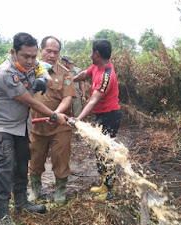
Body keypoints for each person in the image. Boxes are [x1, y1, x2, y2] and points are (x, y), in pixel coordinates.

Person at [0, 32, 67, 225]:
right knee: (5, 166)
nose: (30, 61)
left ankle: (21, 201)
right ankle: (2, 214)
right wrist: (54, 115)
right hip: (0, 126)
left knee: (21, 164)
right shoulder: (6, 72)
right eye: (25, 56)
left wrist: (43, 79)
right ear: (14, 52)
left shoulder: (33, 64)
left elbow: (45, 72)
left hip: (20, 126)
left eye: (33, 56)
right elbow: (29, 101)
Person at [28, 36, 76, 203]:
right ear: (41, 51)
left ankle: (60, 191)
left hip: (59, 126)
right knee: (35, 159)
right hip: (36, 126)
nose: (52, 55)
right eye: (48, 51)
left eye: (56, 52)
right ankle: (35, 189)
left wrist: (55, 114)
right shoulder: (29, 71)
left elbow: (67, 98)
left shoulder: (65, 73)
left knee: (61, 157)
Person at [72, 39, 121, 201]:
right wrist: (71, 81)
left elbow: (92, 101)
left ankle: (109, 190)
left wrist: (78, 119)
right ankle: (103, 183)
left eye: (92, 51)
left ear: (97, 54)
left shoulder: (107, 76)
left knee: (105, 152)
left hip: (110, 117)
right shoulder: (96, 67)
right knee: (99, 150)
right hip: (102, 116)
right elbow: (85, 74)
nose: (90, 54)